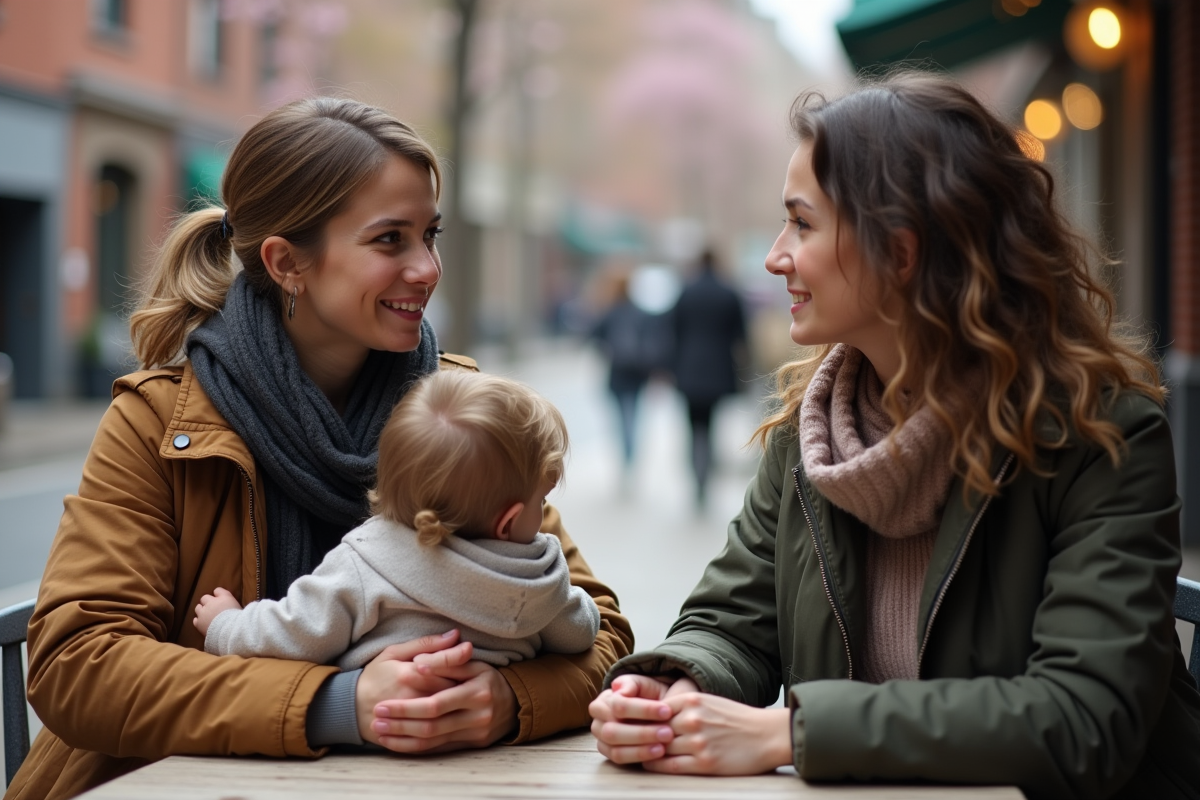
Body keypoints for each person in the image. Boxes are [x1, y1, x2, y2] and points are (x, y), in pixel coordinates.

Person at [589, 71, 1200, 799]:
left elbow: (1082, 717)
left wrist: (793, 733)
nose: (774, 255)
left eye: (803, 223)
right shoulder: (810, 435)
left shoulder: (1099, 435)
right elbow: (730, 621)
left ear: (901, 253)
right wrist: (670, 686)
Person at [10, 97, 632, 800]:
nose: (427, 268)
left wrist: (508, 698)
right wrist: (336, 704)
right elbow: (78, 667)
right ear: (287, 262)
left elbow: (600, 631)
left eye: (430, 234)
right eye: (389, 240)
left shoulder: (464, 413)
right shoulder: (156, 420)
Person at [193, 369, 601, 669]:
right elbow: (581, 632)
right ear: (508, 522)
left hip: (380, 737)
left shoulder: (366, 561)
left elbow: (293, 632)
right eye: (541, 500)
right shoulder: (539, 580)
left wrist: (226, 625)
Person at [668, 249, 746, 507]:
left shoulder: (686, 292)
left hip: (688, 369)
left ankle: (697, 475)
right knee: (711, 425)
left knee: (693, 427)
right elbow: (741, 335)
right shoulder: (728, 293)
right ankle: (706, 474)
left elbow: (672, 332)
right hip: (718, 370)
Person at [591, 272, 656, 475]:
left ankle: (626, 456)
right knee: (632, 416)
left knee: (621, 418)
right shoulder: (639, 312)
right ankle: (629, 455)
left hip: (617, 374)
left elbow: (595, 338)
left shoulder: (610, 312)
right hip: (636, 374)